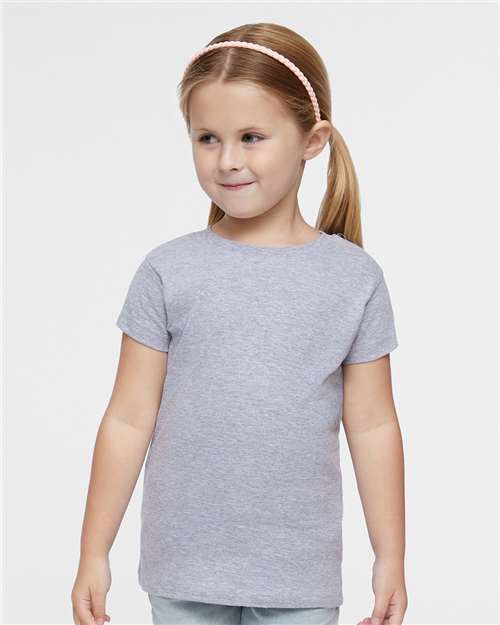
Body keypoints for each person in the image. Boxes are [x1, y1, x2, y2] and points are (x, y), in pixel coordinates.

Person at [71, 22, 408, 625]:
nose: (227, 161)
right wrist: (93, 552)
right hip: (183, 570)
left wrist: (391, 558)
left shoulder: (353, 279)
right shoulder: (168, 271)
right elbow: (127, 418)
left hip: (298, 576)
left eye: (251, 137)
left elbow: (374, 425)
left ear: (312, 140)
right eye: (207, 138)